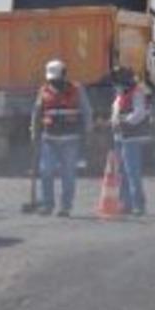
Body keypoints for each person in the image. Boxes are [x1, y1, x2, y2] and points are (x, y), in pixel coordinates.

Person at [30, 60, 93, 217]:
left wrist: (88, 131)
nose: (53, 82)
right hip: (49, 139)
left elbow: (86, 111)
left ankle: (66, 206)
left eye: (56, 78)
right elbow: (36, 113)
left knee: (68, 174)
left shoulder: (77, 90)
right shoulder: (43, 91)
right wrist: (34, 132)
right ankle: (47, 204)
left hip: (70, 140)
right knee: (46, 171)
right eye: (51, 79)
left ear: (64, 75)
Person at [110, 67, 150, 216]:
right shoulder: (120, 94)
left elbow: (139, 113)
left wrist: (124, 122)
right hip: (120, 137)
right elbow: (116, 113)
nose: (116, 84)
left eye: (117, 81)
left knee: (132, 172)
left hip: (132, 137)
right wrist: (112, 123)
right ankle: (125, 204)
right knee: (122, 173)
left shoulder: (136, 92)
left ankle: (138, 205)